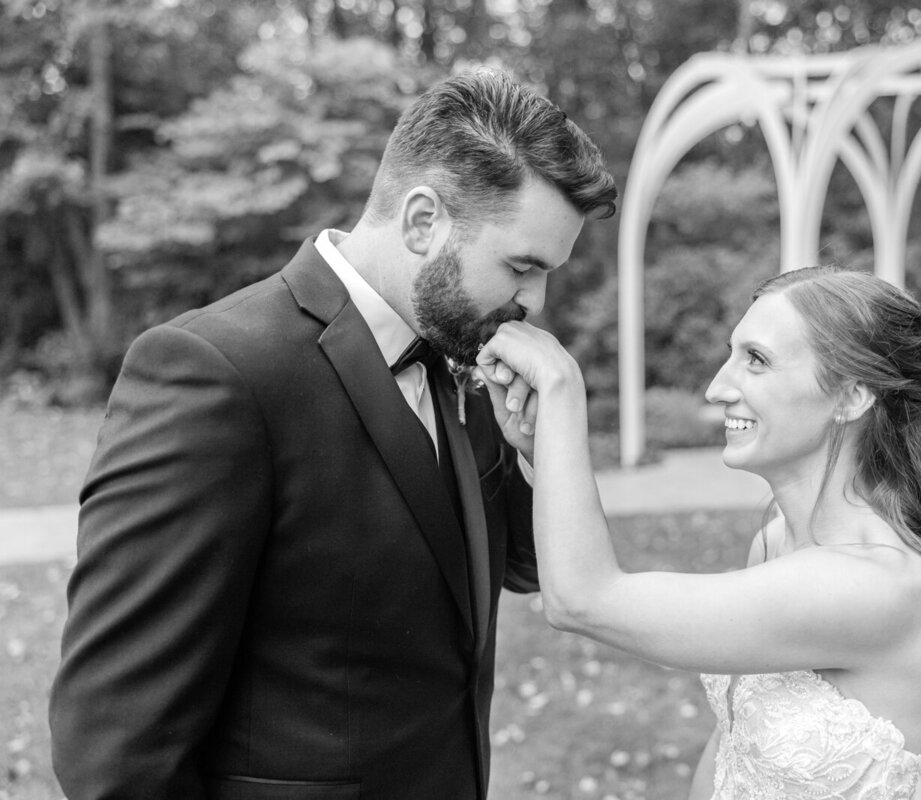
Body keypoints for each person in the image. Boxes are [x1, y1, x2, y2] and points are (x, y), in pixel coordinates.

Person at [49, 69, 617, 800]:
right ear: (422, 221)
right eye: (522, 266)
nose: (534, 304)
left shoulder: (463, 349)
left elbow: (519, 565)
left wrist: (544, 452)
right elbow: (114, 752)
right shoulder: (216, 373)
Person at [477, 265, 921, 799]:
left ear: (851, 397)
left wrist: (561, 389)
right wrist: (539, 447)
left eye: (756, 360)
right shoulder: (776, 542)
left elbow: (582, 600)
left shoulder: (882, 586)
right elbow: (733, 748)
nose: (717, 387)